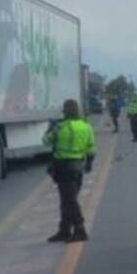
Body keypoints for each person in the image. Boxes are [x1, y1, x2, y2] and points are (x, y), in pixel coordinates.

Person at [44, 98, 96, 242]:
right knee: (67, 200)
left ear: (65, 111)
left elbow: (46, 141)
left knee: (69, 201)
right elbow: (91, 148)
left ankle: (80, 230)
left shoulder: (59, 127)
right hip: (78, 167)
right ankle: (64, 230)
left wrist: (50, 128)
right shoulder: (86, 126)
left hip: (63, 168)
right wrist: (89, 164)